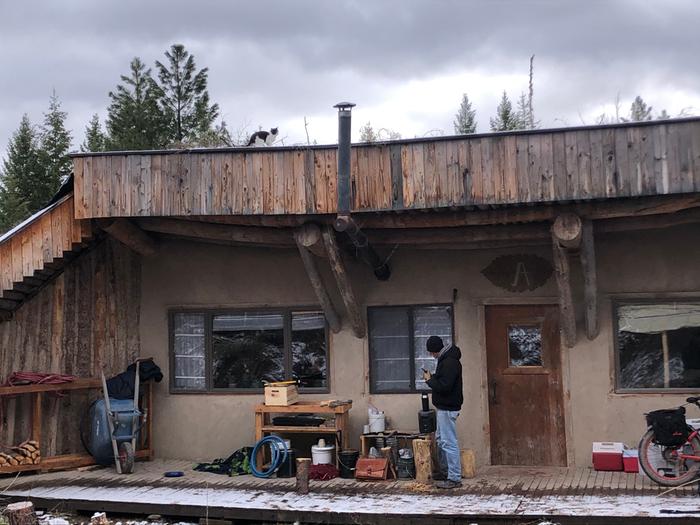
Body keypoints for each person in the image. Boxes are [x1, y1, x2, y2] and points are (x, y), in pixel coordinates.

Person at [422, 335, 463, 489]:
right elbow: (443, 381)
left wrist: (429, 381)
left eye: (431, 352)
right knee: (440, 439)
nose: (431, 355)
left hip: (448, 407)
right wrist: (433, 377)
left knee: (449, 442)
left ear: (436, 350)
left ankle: (454, 477)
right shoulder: (446, 359)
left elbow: (445, 386)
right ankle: (445, 472)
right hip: (444, 407)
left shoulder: (449, 362)